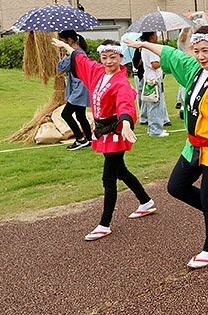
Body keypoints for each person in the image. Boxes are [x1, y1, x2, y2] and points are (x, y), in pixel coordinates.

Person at [124, 27, 208, 269]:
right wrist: (144, 46)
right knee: (176, 186)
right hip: (194, 146)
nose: (201, 56)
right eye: (197, 51)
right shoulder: (194, 70)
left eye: (206, 51)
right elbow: (170, 54)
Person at [51, 38, 156, 241]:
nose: (108, 61)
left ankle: (104, 224)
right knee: (121, 171)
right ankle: (146, 201)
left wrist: (126, 123)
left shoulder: (121, 82)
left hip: (115, 132)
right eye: (104, 57)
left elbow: (126, 104)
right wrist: (67, 47)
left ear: (120, 58)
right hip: (102, 130)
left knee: (108, 178)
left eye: (113, 57)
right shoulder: (98, 72)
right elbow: (82, 59)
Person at [56, 30, 92, 150]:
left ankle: (80, 139)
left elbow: (60, 67)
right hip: (83, 87)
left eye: (62, 41)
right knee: (81, 116)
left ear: (69, 41)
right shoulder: (81, 52)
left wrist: (65, 54)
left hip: (79, 89)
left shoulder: (75, 54)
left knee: (65, 114)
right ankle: (89, 139)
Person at [140, 32, 169, 137]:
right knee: (155, 104)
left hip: (149, 78)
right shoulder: (150, 48)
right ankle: (155, 130)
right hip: (153, 80)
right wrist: (164, 59)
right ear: (151, 36)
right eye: (156, 34)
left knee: (152, 104)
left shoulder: (144, 47)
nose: (157, 36)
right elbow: (155, 64)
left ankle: (154, 127)